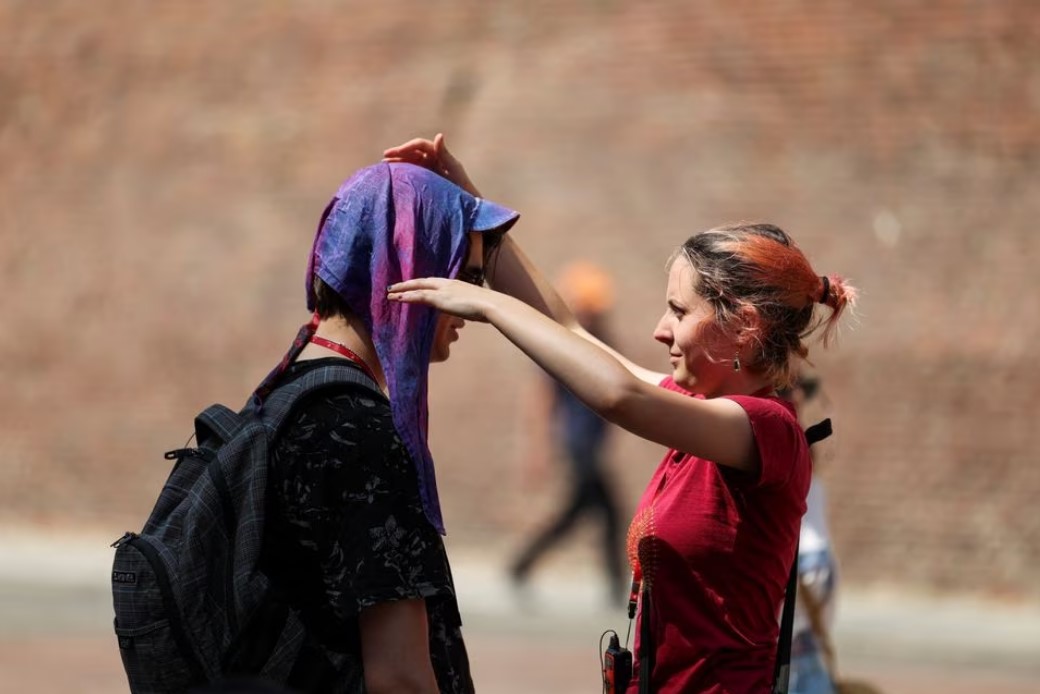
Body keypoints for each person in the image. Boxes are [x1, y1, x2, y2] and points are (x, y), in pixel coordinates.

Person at [383, 134, 856, 693]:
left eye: (679, 311)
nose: (660, 329)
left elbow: (618, 396)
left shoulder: (769, 429)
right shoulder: (706, 412)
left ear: (744, 327)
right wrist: (473, 207)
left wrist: (487, 303)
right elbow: (573, 332)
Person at [253, 161, 518, 693]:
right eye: (464, 278)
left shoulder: (283, 394)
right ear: (408, 269)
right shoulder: (360, 433)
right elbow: (399, 677)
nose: (472, 305)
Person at [509, 260, 626, 605]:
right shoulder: (563, 344)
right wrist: (538, 450)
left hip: (588, 446)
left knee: (583, 513)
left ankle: (522, 565)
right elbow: (542, 400)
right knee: (606, 512)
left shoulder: (600, 340)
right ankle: (614, 585)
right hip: (578, 446)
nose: (595, 317)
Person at [780, 371, 841, 694]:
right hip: (803, 570)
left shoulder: (794, 442)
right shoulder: (781, 439)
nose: (800, 398)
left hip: (804, 644)